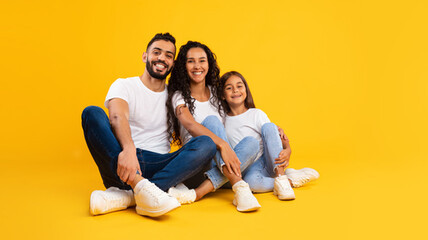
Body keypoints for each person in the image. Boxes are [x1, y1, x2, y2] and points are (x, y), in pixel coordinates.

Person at [81, 33, 217, 217]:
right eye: (157, 52)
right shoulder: (124, 85)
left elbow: (191, 122)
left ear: (173, 64)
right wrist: (128, 150)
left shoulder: (174, 95)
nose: (162, 58)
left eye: (169, 55)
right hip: (122, 161)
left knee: (206, 143)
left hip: (159, 164)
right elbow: (117, 115)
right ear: (145, 56)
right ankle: (142, 188)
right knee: (92, 113)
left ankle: (129, 195)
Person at [164, 41, 261, 212]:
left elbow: (240, 115)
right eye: (191, 61)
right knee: (212, 123)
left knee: (251, 143)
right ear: (183, 66)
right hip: (195, 165)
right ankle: (239, 185)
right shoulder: (178, 96)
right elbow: (190, 124)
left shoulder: (217, 93)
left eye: (202, 60)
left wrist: (272, 129)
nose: (197, 66)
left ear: (209, 64)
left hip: (223, 166)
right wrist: (223, 145)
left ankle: (201, 193)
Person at [216, 71, 319, 200]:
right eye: (229, 88)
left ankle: (281, 178)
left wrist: (287, 149)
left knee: (270, 126)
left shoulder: (256, 114)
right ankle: (290, 179)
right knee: (252, 184)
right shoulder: (222, 120)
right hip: (243, 166)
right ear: (223, 95)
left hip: (264, 162)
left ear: (246, 90)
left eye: (239, 86)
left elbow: (276, 134)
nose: (235, 90)